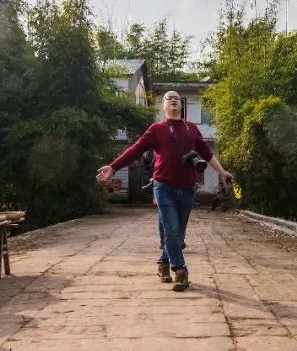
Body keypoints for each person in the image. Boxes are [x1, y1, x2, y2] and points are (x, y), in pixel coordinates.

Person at [97, 91, 234, 291]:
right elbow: (135, 149)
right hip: (164, 187)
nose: (173, 99)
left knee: (178, 235)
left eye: (176, 97)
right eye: (169, 98)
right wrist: (113, 167)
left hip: (188, 189)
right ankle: (180, 271)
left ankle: (163, 263)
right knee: (171, 229)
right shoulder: (157, 129)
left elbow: (207, 153)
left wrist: (222, 172)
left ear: (181, 105)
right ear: (163, 105)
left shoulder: (191, 128)